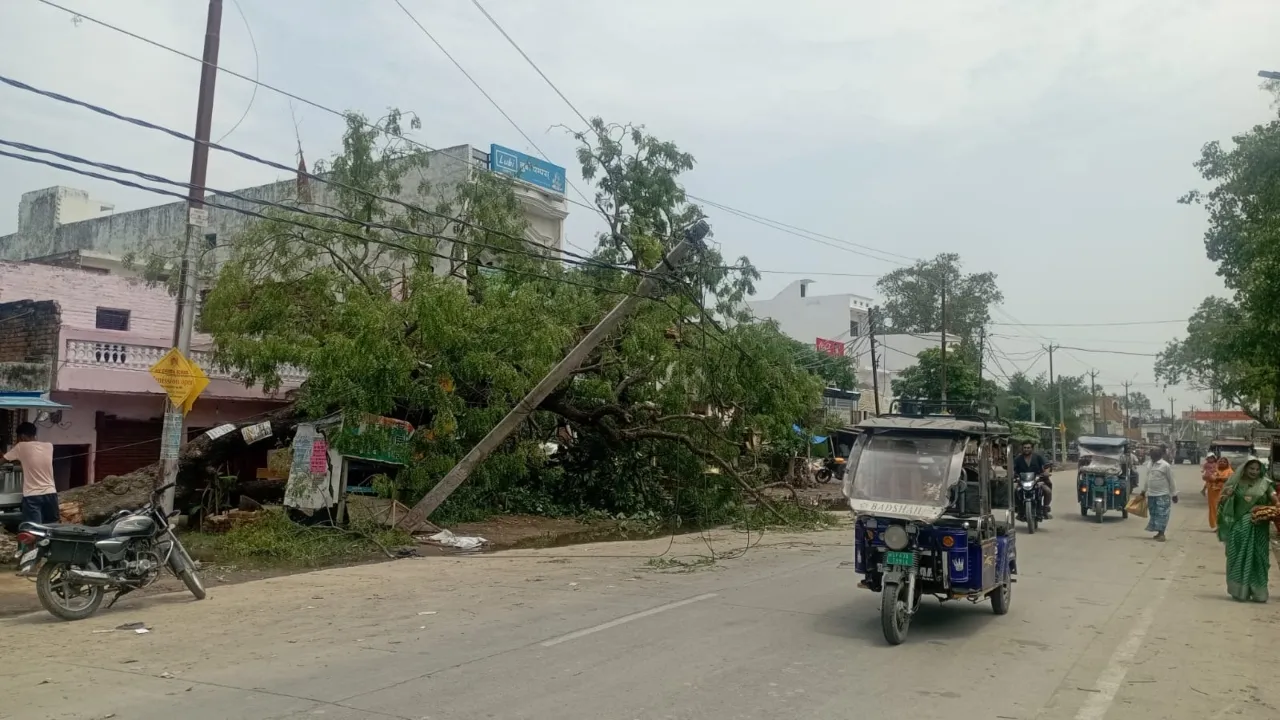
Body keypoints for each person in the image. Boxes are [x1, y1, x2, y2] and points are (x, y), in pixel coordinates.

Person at [1216, 458, 1274, 602]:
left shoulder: (1265, 484)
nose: (1254, 471)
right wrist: (1226, 496)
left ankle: (1259, 592)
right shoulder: (1234, 484)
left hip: (1259, 527)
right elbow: (1222, 503)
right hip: (1239, 528)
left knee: (1259, 558)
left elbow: (1275, 500)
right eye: (1251, 468)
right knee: (1238, 557)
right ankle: (1239, 592)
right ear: (1245, 469)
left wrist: (1269, 508)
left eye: (1257, 469)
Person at [5, 422, 57, 574]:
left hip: (33, 496)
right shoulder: (49, 446)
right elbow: (34, 460)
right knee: (50, 529)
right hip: (51, 493)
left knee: (32, 532)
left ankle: (32, 566)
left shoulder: (21, 447)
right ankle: (50, 563)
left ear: (21, 437)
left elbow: (3, 461)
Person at [1135, 446, 1177, 541]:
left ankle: (1162, 534)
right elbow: (1148, 479)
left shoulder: (1165, 465)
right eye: (1152, 454)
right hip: (1151, 494)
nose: (1152, 456)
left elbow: (1172, 480)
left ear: (1160, 455)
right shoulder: (1149, 464)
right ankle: (1159, 532)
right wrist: (1143, 491)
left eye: (1155, 454)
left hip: (1162, 494)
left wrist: (1174, 494)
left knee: (1162, 514)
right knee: (1154, 514)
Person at [1012, 440, 1053, 518]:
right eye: (1025, 448)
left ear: (1032, 449)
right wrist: (1011, 474)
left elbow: (1047, 466)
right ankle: (1019, 509)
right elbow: (1012, 468)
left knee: (1047, 491)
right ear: (1022, 448)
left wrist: (1046, 472)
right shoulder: (1018, 458)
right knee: (1014, 491)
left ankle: (1045, 508)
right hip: (1022, 481)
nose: (1026, 449)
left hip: (1037, 480)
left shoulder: (1038, 457)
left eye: (1028, 448)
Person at [1206, 456, 1232, 530]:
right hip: (1213, 492)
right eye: (1221, 461)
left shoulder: (1230, 471)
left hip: (1224, 493)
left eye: (1224, 461)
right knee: (1213, 508)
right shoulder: (1214, 470)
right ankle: (1214, 525)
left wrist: (1218, 478)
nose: (1222, 463)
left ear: (1227, 463)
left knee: (1223, 509)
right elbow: (1208, 477)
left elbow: (1230, 479)